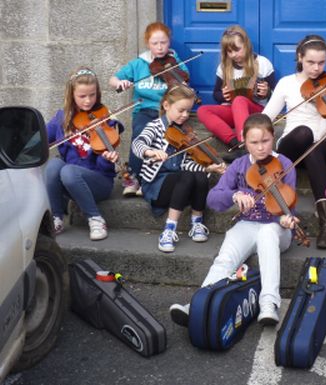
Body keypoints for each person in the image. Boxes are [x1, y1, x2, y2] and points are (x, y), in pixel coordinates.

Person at [169, 113, 297, 327]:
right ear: (244, 140)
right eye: (254, 142)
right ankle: (196, 304)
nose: (260, 148)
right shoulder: (238, 165)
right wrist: (233, 195)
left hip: (276, 228)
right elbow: (213, 199)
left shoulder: (284, 163)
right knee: (225, 259)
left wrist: (286, 219)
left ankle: (269, 304)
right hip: (247, 224)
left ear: (273, 137)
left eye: (265, 141)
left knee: (267, 233)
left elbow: (289, 205)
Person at [262, 34, 326, 249]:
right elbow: (266, 118)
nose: (316, 68)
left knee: (313, 147)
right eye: (310, 62)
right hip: (292, 144)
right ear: (300, 57)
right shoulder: (286, 83)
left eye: (321, 63)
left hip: (324, 145)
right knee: (303, 133)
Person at [131, 85, 226, 253]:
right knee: (188, 177)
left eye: (188, 111)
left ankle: (197, 222)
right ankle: (169, 230)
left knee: (199, 174)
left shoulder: (184, 132)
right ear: (166, 105)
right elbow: (137, 145)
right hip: (156, 185)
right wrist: (150, 151)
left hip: (180, 185)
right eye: (181, 110)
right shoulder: (155, 127)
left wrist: (208, 169)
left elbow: (185, 164)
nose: (185, 115)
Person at [110, 21, 190, 197]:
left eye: (164, 42)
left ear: (169, 42)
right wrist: (120, 83)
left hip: (167, 113)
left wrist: (178, 83)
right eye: (155, 43)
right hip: (144, 110)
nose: (160, 47)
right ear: (148, 43)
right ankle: (135, 177)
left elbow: (184, 83)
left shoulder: (174, 62)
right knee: (140, 133)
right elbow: (113, 80)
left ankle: (150, 180)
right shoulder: (139, 64)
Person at [45, 67, 122, 241]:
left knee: (68, 170)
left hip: (99, 182)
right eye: (82, 96)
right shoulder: (61, 118)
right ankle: (56, 217)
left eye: (92, 95)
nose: (88, 101)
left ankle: (95, 218)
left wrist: (106, 159)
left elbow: (105, 168)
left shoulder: (104, 118)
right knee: (53, 165)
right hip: (69, 183)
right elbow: (41, 137)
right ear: (71, 95)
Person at [197, 25, 276, 162]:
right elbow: (216, 94)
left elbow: (276, 95)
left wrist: (267, 92)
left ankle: (244, 144)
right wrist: (223, 95)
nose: (234, 55)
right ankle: (238, 145)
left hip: (256, 112)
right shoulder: (224, 66)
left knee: (239, 100)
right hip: (234, 112)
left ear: (246, 44)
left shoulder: (263, 63)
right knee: (202, 110)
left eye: (237, 50)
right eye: (230, 52)